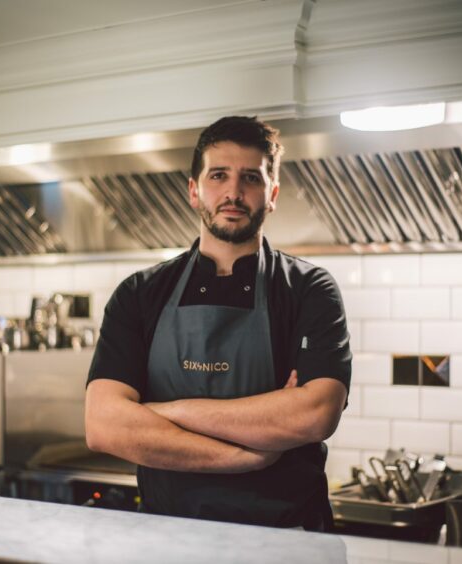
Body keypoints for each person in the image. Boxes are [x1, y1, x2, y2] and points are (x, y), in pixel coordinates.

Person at [85, 116, 351, 530]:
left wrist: (165, 412)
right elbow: (103, 425)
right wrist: (243, 456)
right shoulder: (139, 293)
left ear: (272, 193)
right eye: (218, 176)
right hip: (168, 542)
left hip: (286, 543)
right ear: (194, 190)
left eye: (250, 177)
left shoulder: (309, 290)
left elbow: (315, 414)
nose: (233, 192)